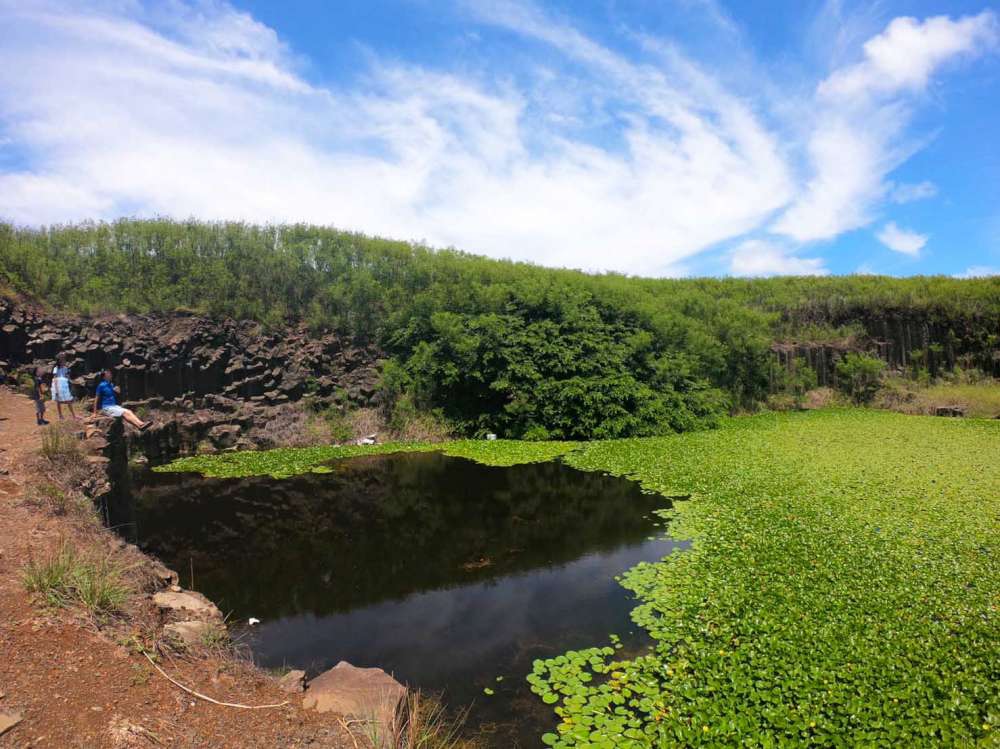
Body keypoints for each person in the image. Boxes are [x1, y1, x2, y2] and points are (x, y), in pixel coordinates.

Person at [51, 353, 79, 420]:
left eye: (64, 359)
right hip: (58, 385)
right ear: (59, 360)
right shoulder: (56, 368)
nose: (64, 361)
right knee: (58, 401)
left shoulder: (66, 368)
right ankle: (60, 415)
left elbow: (67, 377)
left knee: (68, 400)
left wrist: (71, 383)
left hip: (64, 385)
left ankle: (73, 415)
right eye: (62, 359)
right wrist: (57, 389)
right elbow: (55, 379)